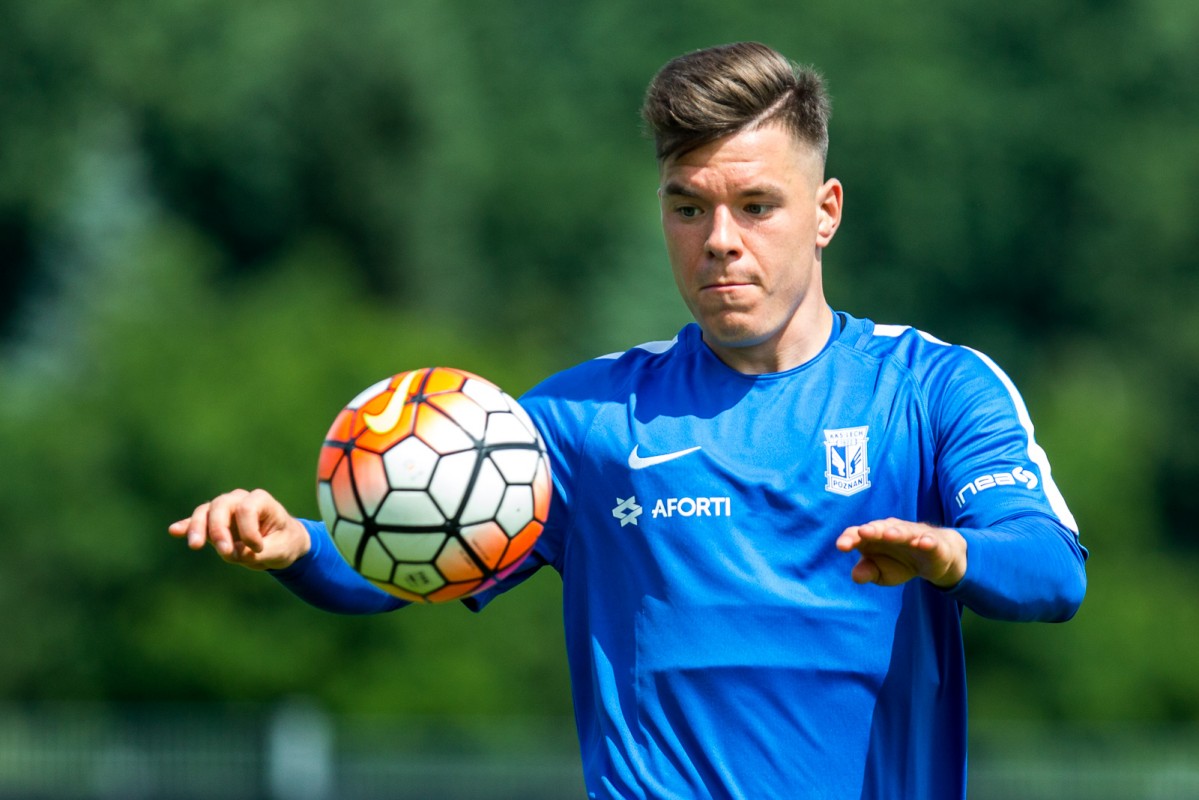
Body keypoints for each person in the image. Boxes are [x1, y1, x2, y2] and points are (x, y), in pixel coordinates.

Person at [170, 41, 1087, 799]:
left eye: (756, 207)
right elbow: (416, 556)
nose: (718, 240)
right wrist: (298, 546)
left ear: (825, 212)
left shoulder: (931, 389)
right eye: (688, 208)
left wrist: (952, 555)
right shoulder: (587, 419)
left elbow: (1050, 569)